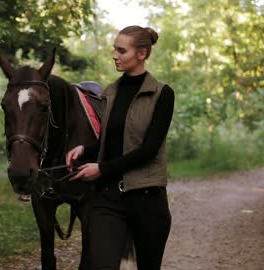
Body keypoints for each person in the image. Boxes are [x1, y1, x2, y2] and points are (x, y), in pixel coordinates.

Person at [65, 25, 175, 270]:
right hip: (108, 199)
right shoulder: (111, 92)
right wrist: (85, 150)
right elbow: (110, 141)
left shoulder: (162, 94)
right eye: (114, 49)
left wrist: (101, 169)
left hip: (147, 199)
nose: (115, 55)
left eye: (121, 50)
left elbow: (148, 150)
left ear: (141, 54)